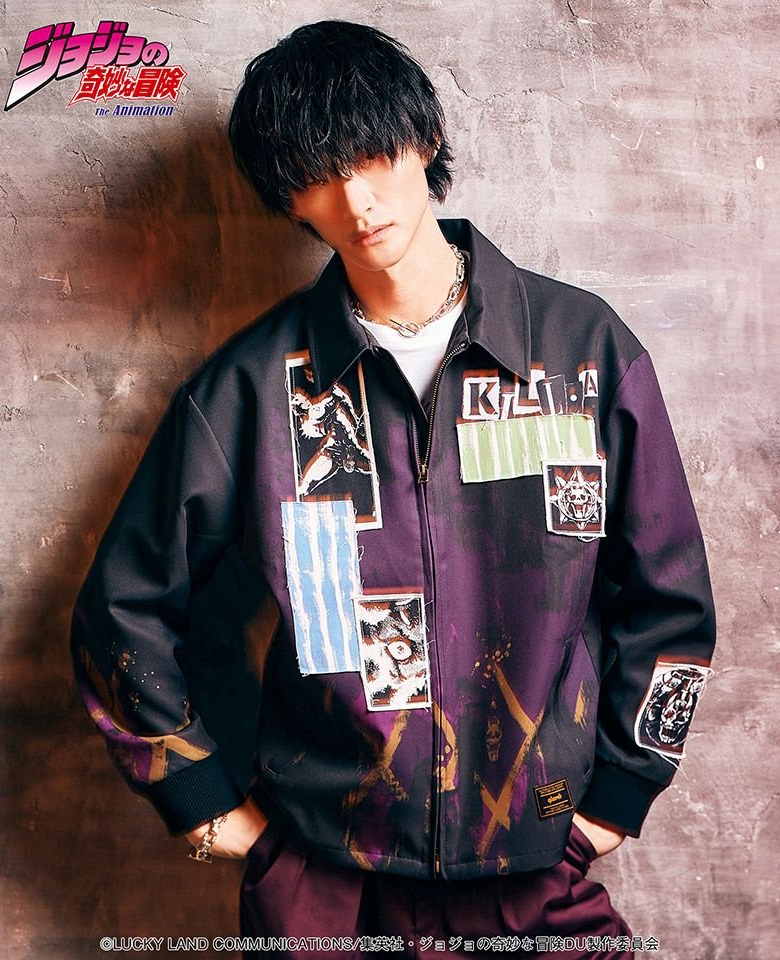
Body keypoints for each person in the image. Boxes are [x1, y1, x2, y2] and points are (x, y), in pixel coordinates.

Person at [71, 19, 716, 959]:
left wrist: (621, 794)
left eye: (371, 155)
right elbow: (122, 611)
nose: (357, 199)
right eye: (317, 176)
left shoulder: (581, 351)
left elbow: (672, 598)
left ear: (424, 138)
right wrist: (202, 800)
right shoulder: (253, 389)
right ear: (290, 199)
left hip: (535, 867)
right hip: (326, 883)